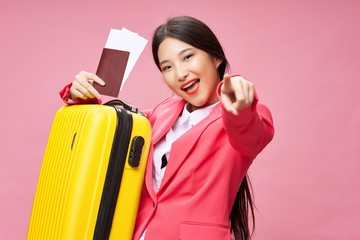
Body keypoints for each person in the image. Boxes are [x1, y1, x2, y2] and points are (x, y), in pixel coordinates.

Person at [59, 15, 274, 240]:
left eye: (188, 57)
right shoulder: (160, 114)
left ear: (216, 57)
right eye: (167, 67)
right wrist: (80, 96)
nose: (180, 74)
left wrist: (241, 105)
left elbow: (249, 134)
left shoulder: (240, 118)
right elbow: (113, 126)